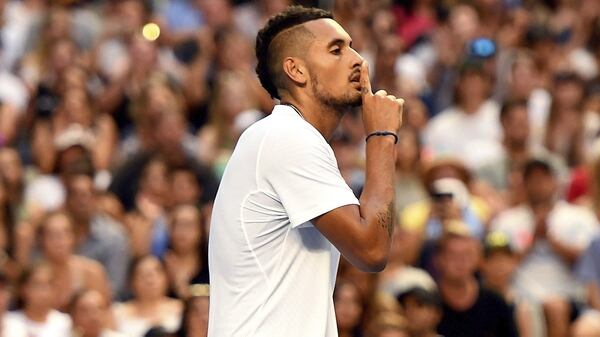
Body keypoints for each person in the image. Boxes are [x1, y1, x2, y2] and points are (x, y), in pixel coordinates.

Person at [208, 5, 403, 337]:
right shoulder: (287, 138)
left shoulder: (289, 138)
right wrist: (382, 138)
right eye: (337, 49)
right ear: (295, 70)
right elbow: (371, 249)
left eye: (352, 46)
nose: (358, 60)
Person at [435, 231, 518, 337]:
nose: (461, 261)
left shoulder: (496, 303)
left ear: (477, 259)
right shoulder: (428, 303)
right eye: (453, 255)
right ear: (439, 259)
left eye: (467, 254)